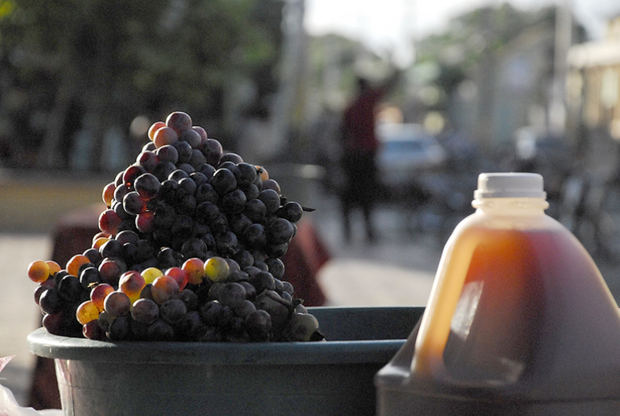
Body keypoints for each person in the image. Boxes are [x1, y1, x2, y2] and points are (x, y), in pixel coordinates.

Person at [339, 72, 398, 243]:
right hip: (365, 157)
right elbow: (387, 86)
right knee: (367, 195)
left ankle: (349, 232)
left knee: (350, 196)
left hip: (352, 157)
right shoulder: (367, 102)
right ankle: (368, 232)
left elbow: (343, 133)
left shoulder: (350, 107)